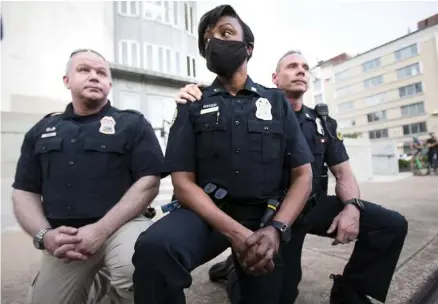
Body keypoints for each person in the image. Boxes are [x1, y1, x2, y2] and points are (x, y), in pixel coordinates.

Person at [175, 50, 409, 304]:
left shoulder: (321, 122)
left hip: (312, 205)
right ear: (275, 78)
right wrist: (195, 94)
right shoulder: (253, 109)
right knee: (280, 295)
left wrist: (352, 207)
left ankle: (349, 289)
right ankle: (235, 270)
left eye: (305, 67)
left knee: (391, 225)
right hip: (273, 211)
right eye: (292, 66)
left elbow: (343, 173)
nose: (301, 71)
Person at [132, 5, 314, 304]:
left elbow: (302, 175)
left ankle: (234, 274)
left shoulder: (275, 102)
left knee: (274, 294)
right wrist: (236, 234)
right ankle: (234, 264)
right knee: (155, 247)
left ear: (248, 48)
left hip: (263, 218)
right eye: (207, 39)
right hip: (207, 214)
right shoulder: (193, 102)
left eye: (225, 33)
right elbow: (182, 182)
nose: (214, 42)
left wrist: (277, 230)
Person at [12, 49, 164, 304]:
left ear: (109, 84)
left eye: (101, 73)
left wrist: (101, 229)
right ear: (66, 80)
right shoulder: (41, 130)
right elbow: (23, 192)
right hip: (67, 239)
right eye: (84, 70)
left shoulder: (132, 124)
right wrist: (45, 236)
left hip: (122, 226)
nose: (94, 77)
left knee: (137, 267)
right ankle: (95, 282)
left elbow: (149, 182)